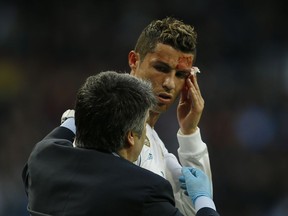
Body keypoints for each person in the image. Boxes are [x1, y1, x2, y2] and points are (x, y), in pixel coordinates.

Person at [61, 17, 213, 216]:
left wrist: (189, 133)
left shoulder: (154, 141)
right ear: (134, 60)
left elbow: (191, 210)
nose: (169, 83)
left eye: (181, 75)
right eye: (161, 68)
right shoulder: (101, 120)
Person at [22, 71, 219, 216]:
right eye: (144, 127)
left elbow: (69, 125)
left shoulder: (43, 157)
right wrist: (203, 198)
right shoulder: (145, 191)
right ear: (130, 136)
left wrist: (88, 112)